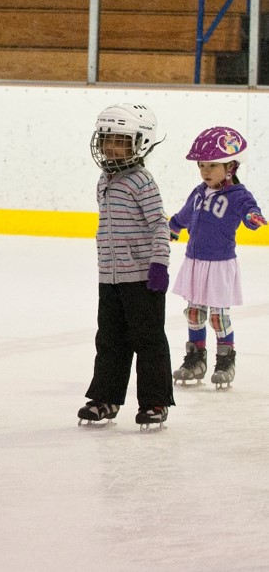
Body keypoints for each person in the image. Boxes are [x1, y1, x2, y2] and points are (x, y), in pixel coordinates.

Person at [77, 103, 174, 430]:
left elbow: (160, 225)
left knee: (148, 341)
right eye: (106, 139)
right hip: (111, 279)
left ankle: (155, 402)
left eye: (119, 140)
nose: (110, 147)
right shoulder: (104, 180)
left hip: (143, 279)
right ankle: (105, 398)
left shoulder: (141, 181)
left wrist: (159, 264)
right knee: (109, 340)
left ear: (140, 142)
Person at [169, 127, 266, 389]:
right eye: (202, 165)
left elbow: (250, 212)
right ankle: (195, 358)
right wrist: (174, 227)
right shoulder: (200, 192)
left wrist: (254, 218)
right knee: (193, 312)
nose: (205, 171)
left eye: (212, 165)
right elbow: (185, 215)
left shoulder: (239, 195)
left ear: (231, 167)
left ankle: (226, 359)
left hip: (220, 263)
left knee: (218, 317)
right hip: (195, 260)